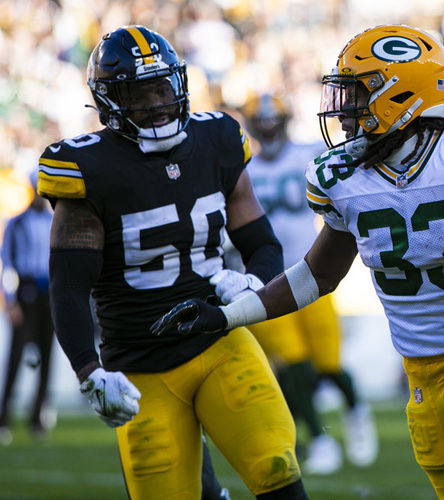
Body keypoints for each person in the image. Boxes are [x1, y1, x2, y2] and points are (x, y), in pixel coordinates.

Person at [152, 25, 444, 499]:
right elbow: (318, 275)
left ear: (400, 96)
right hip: (421, 365)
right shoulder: (341, 175)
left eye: (356, 93)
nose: (343, 109)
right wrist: (228, 316)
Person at [38, 26, 307, 499]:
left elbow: (261, 240)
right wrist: (88, 369)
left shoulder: (217, 138)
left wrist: (253, 282)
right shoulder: (86, 169)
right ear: (109, 102)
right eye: (139, 94)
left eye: (163, 87)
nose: (158, 103)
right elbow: (67, 285)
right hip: (140, 367)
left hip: (220, 343)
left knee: (276, 468)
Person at [226, 92, 377, 474]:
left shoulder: (308, 154)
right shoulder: (243, 168)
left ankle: (357, 412)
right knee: (293, 363)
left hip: (314, 272)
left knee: (328, 363)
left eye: (274, 121)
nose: (269, 128)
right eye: (262, 122)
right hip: (268, 279)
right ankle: (320, 439)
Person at [0, 179, 55, 445]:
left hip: (49, 294)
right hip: (27, 291)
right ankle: (4, 418)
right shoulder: (17, 222)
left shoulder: (55, 220)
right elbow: (7, 263)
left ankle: (37, 417)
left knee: (47, 358)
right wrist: (10, 301)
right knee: (16, 357)